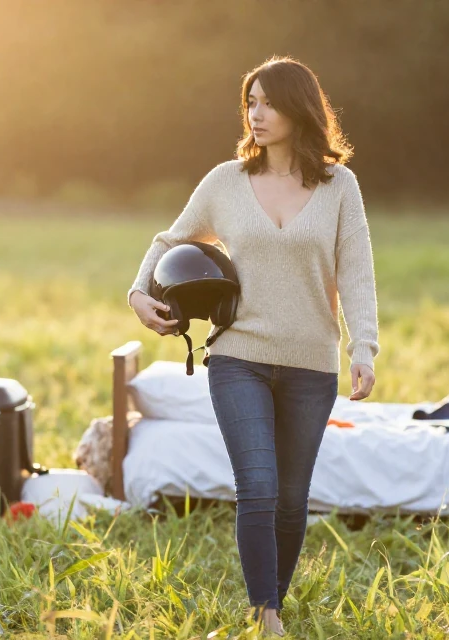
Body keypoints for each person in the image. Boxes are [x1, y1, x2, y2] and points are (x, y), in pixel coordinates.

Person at [127, 55, 379, 636]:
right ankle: (265, 614)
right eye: (250, 102)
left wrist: (362, 348)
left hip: (312, 364)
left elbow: (357, 270)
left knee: (292, 500)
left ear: (299, 108)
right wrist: (140, 294)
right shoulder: (226, 183)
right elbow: (172, 238)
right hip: (238, 356)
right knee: (258, 486)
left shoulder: (340, 187)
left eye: (267, 102)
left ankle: (273, 604)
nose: (255, 113)